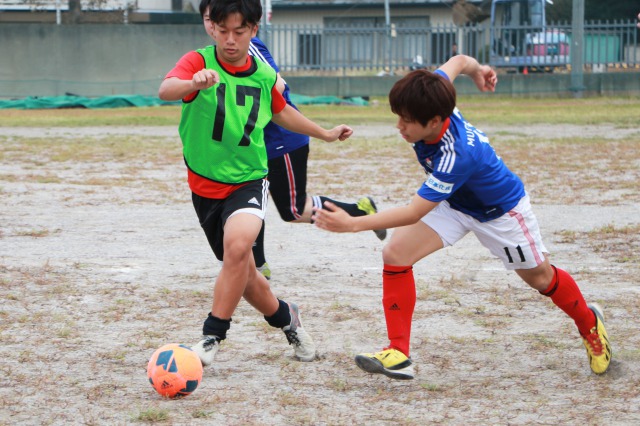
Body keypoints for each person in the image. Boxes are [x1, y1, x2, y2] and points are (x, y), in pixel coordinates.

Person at [312, 54, 612, 379]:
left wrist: (353, 223)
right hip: (456, 203)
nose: (400, 126)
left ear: (435, 120)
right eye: (398, 116)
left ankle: (588, 323)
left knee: (541, 279)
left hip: (501, 212)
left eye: (407, 121)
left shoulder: (457, 156)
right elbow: (458, 60)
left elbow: (413, 211)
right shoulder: (435, 92)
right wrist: (479, 71)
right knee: (395, 254)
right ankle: (398, 353)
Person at [159, 0, 353, 367]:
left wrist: (325, 133)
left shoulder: (263, 76)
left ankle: (212, 335)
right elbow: (166, 89)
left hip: (248, 180)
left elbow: (283, 112)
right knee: (246, 277)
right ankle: (287, 319)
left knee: (237, 249)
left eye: (240, 31)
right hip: (204, 186)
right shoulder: (199, 62)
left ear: (254, 31)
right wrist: (192, 82)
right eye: (223, 30)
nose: (230, 40)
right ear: (212, 27)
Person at [200, 0, 386, 282]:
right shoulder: (215, 55)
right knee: (246, 198)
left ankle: (358, 210)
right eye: (208, 20)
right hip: (255, 145)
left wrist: (322, 132)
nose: (213, 26)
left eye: (217, 19)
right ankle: (257, 266)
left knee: (293, 210)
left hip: (281, 141)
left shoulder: (246, 48)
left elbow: (278, 86)